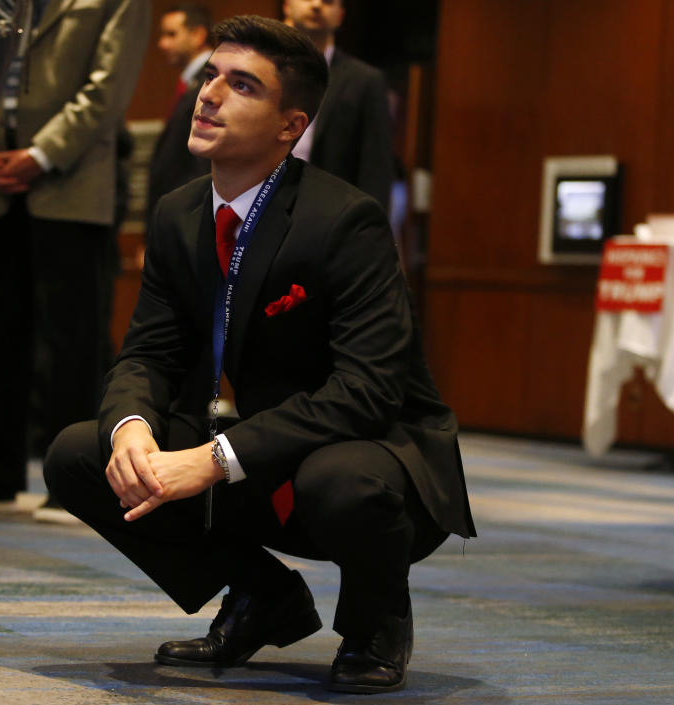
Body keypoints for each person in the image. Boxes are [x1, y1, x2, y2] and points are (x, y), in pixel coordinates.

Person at [43, 15, 475, 694]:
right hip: (255, 448)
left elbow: (367, 391)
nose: (209, 94)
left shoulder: (345, 221)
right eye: (211, 75)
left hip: (372, 457)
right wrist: (132, 428)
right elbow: (147, 353)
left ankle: (375, 620)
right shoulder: (179, 215)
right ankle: (260, 596)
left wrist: (213, 459)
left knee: (340, 480)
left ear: (289, 126)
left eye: (242, 85)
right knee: (81, 451)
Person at [0, 0, 150, 514]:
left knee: (70, 339)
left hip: (70, 180)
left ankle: (69, 481)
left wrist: (39, 155)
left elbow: (106, 89)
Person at [283, 0, 395, 212]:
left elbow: (376, 168)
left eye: (328, 1)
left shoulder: (365, 80)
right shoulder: (263, 70)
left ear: (341, 16)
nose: (316, 5)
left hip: (331, 212)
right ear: (287, 6)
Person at [145, 3, 213, 223]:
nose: (162, 44)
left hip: (190, 218)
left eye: (172, 35)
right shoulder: (191, 83)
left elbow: (202, 165)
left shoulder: (210, 85)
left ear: (198, 35)